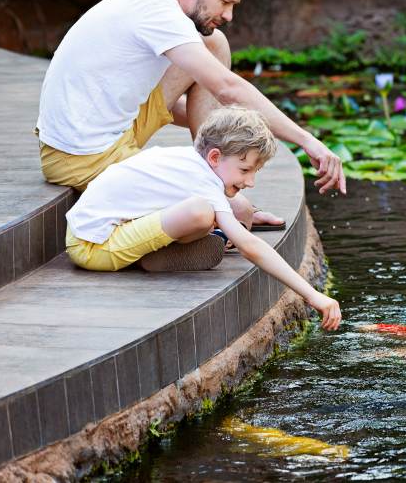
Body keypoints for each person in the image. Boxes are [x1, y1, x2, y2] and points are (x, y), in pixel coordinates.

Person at [36, 0, 345, 229]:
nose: (229, 15)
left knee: (214, 44)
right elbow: (227, 87)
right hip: (81, 158)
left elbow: (193, 105)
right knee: (208, 210)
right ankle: (218, 197)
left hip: (119, 129)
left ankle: (215, 181)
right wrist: (307, 141)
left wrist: (236, 131)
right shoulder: (158, 13)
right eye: (224, 2)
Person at [65, 106, 341, 330]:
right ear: (214, 156)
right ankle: (151, 257)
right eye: (245, 170)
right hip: (93, 248)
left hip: (95, 233)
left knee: (229, 210)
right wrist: (311, 294)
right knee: (201, 212)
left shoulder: (188, 161)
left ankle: (163, 252)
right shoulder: (203, 183)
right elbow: (249, 246)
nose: (251, 181)